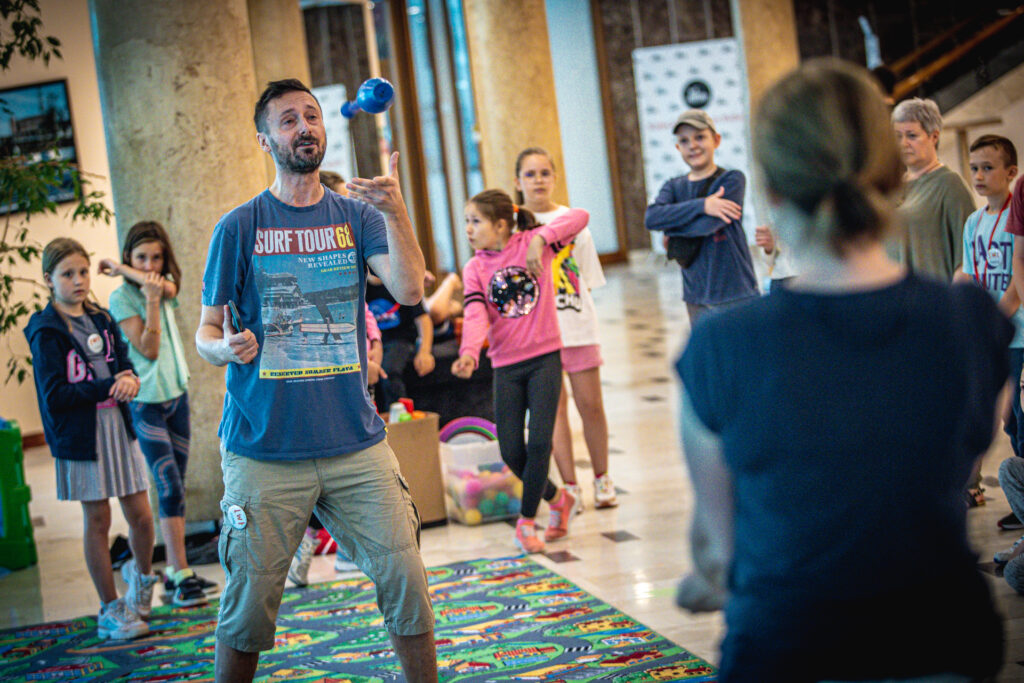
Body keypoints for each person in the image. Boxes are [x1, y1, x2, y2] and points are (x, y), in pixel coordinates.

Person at [675, 59, 1006, 681]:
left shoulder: (723, 346)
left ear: (771, 188)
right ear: (888, 170)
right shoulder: (970, 324)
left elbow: (719, 547)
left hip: (789, 643)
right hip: (941, 637)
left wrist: (707, 577)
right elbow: (954, 464)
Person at [195, 78, 436, 683]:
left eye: (312, 116)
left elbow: (410, 289)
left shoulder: (357, 215)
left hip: (356, 443)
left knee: (406, 579)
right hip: (264, 450)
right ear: (264, 139)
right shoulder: (240, 226)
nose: (304, 128)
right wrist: (223, 349)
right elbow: (205, 329)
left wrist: (396, 209)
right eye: (287, 120)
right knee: (248, 606)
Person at [25, 238, 158, 641]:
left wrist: (130, 380)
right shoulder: (46, 331)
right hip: (82, 437)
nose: (79, 280)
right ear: (49, 280)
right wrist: (106, 387)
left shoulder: (100, 317)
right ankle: (110, 607)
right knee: (98, 520)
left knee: (141, 515)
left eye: (83, 272)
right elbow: (55, 395)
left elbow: (125, 363)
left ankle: (143, 581)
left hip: (118, 429)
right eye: (68, 274)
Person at [452, 190, 587, 553]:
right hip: (505, 366)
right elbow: (476, 314)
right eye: (466, 220)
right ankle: (559, 500)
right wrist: (469, 353)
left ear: (500, 225)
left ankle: (527, 523)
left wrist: (541, 238)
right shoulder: (474, 268)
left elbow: (580, 216)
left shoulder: (533, 244)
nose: (468, 228)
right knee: (512, 450)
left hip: (545, 359)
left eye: (475, 221)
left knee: (540, 442)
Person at [98, 220, 212, 607]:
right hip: (145, 402)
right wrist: (144, 295)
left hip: (176, 395)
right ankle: (178, 572)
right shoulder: (122, 299)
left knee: (176, 484)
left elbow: (168, 286)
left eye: (157, 257)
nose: (150, 265)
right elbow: (147, 348)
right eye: (140, 257)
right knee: (168, 486)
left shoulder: (164, 288)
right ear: (130, 255)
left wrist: (126, 270)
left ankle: (175, 570)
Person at [514, 147, 616, 513]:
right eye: (530, 174)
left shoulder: (574, 222)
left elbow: (586, 281)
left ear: (555, 177)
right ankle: (570, 487)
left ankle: (603, 478)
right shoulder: (512, 228)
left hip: (578, 329)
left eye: (545, 172)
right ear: (517, 181)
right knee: (553, 413)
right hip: (538, 338)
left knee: (592, 405)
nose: (538, 180)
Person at [953, 135, 1020, 508]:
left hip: (1015, 332)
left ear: (1010, 172)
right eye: (974, 167)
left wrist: (996, 318)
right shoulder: (974, 221)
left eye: (988, 167)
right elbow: (967, 270)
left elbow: (1019, 280)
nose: (978, 175)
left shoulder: (1018, 217)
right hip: (985, 334)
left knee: (1019, 421)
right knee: (997, 419)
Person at [643, 109, 759, 324]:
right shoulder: (673, 186)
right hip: (695, 292)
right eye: (684, 141)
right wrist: (703, 205)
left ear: (716, 140)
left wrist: (673, 229)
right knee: (709, 355)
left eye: (700, 137)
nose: (693, 145)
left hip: (735, 290)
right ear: (678, 148)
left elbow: (708, 225)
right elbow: (652, 218)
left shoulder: (731, 180)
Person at [891, 97, 976, 281]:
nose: (904, 143)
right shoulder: (892, 188)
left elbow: (967, 263)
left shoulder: (950, 185)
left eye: (912, 135)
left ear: (934, 136)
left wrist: (954, 307)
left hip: (935, 303)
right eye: (898, 136)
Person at [366, 272, 435, 412]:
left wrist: (424, 351)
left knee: (389, 370)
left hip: (400, 340)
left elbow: (423, 319)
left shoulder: (401, 282)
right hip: (371, 343)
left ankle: (400, 419)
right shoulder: (359, 287)